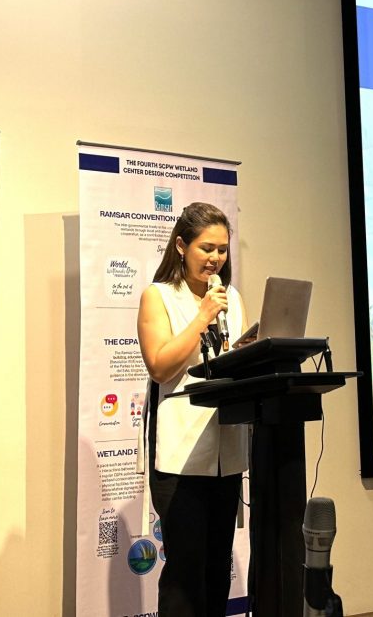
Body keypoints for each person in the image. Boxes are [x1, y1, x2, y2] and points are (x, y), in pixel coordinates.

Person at [137, 202, 248, 616]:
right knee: (185, 574)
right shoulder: (159, 296)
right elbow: (160, 367)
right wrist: (202, 317)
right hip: (180, 456)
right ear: (182, 246)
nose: (215, 258)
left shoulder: (232, 297)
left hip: (226, 452)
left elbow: (233, 362)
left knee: (217, 569)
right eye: (206, 248)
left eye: (222, 249)